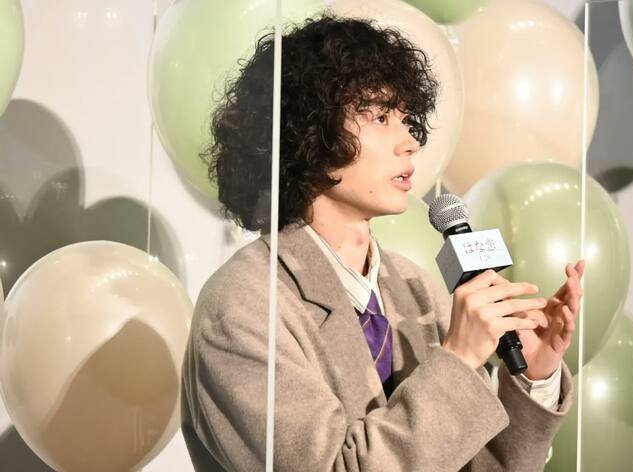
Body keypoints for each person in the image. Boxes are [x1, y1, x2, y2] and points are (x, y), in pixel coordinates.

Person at [181, 13, 585, 472]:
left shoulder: (414, 287)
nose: (409, 142)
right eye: (380, 117)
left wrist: (535, 376)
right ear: (307, 130)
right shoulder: (243, 306)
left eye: (407, 120)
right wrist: (458, 358)